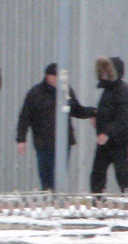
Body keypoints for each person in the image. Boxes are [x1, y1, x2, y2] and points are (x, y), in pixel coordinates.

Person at [15, 63, 86, 190]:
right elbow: (25, 117)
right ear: (49, 77)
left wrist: (93, 112)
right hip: (44, 142)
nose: (60, 80)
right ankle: (49, 200)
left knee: (60, 176)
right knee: (47, 176)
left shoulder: (66, 91)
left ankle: (59, 200)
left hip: (63, 142)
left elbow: (76, 110)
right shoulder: (36, 93)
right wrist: (21, 139)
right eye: (58, 76)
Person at [74, 57, 128, 194]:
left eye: (107, 69)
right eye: (102, 69)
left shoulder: (122, 91)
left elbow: (123, 118)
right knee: (97, 174)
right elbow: (107, 112)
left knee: (123, 174)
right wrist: (96, 117)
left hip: (120, 142)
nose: (104, 73)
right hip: (104, 142)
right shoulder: (107, 91)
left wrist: (107, 133)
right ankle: (98, 203)